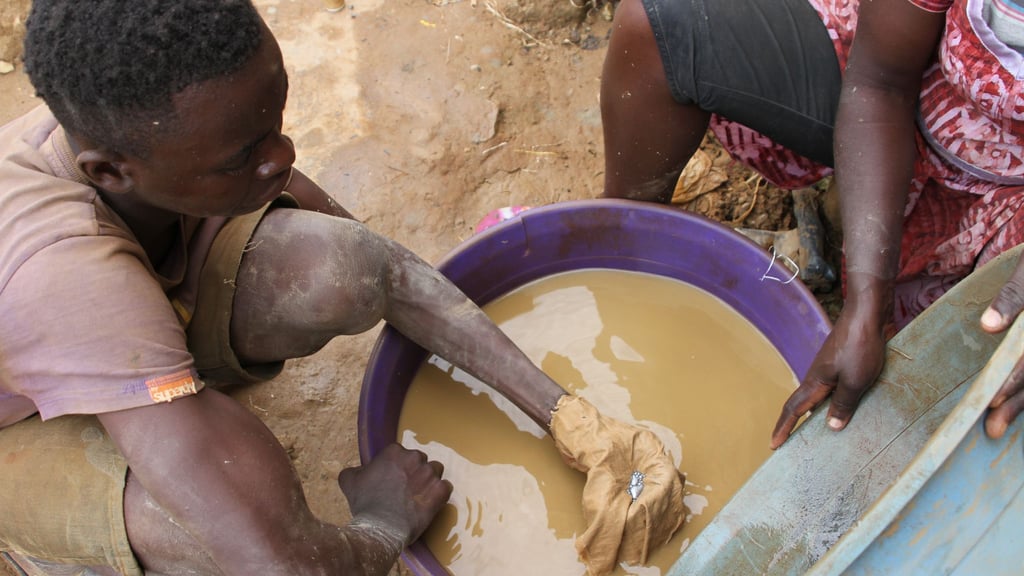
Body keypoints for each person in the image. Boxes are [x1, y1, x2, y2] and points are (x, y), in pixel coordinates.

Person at [0, 1, 683, 575]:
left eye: (275, 123)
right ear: (107, 172)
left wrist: (575, 421)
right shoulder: (63, 274)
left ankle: (162, 380)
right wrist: (381, 526)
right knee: (184, 530)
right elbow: (280, 563)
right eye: (243, 156)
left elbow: (380, 271)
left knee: (339, 270)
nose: (283, 158)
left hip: (124, 315)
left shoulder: (152, 137)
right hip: (24, 421)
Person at [599, 0, 1024, 448]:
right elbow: (881, 82)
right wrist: (867, 303)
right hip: (911, 86)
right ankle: (621, 266)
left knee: (984, 402)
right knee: (661, 30)